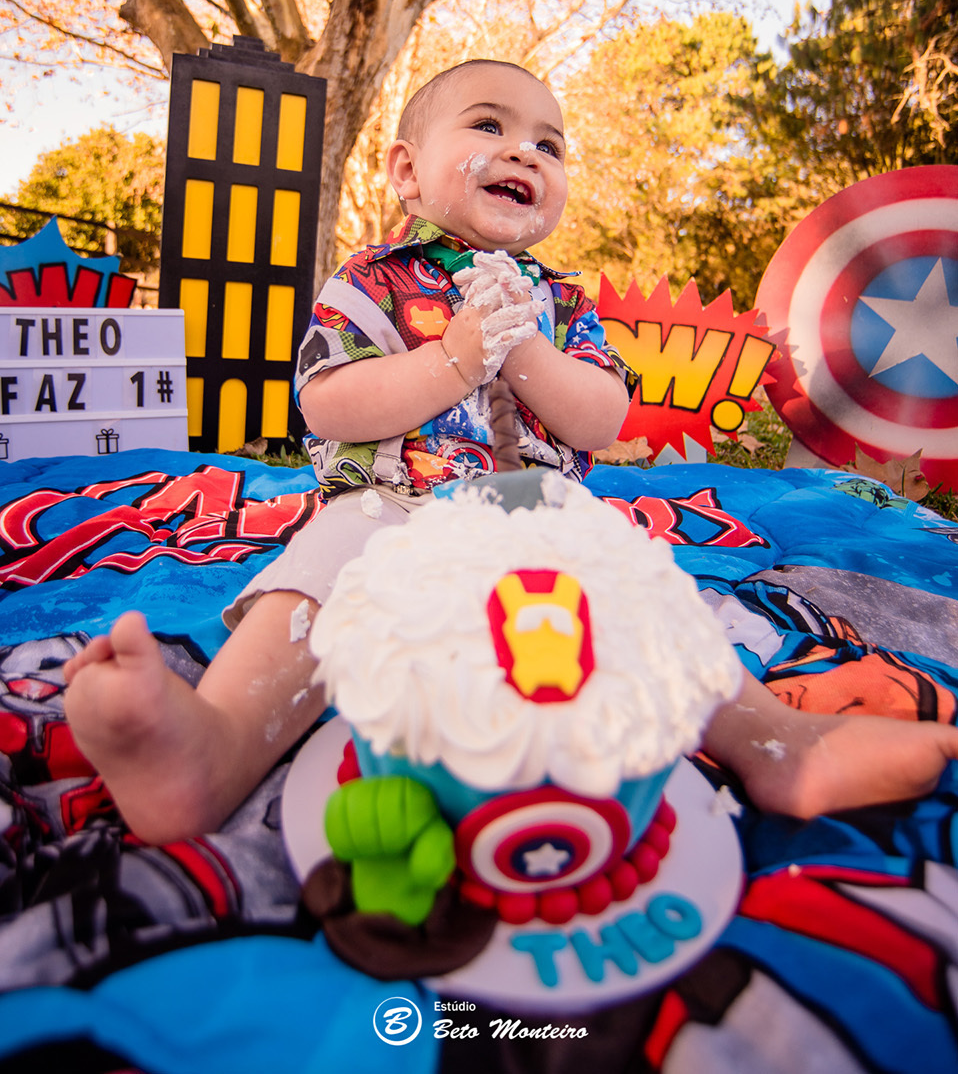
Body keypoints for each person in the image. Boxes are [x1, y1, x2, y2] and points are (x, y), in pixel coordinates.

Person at [63, 60, 958, 846]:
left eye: (551, 144)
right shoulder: (371, 279)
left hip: (536, 516)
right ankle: (216, 745)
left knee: (635, 577)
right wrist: (453, 358)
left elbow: (603, 419)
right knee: (322, 565)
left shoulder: (563, 301)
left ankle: (771, 743)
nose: (526, 151)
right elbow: (327, 402)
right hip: (394, 507)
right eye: (490, 125)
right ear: (407, 172)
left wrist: (525, 352)